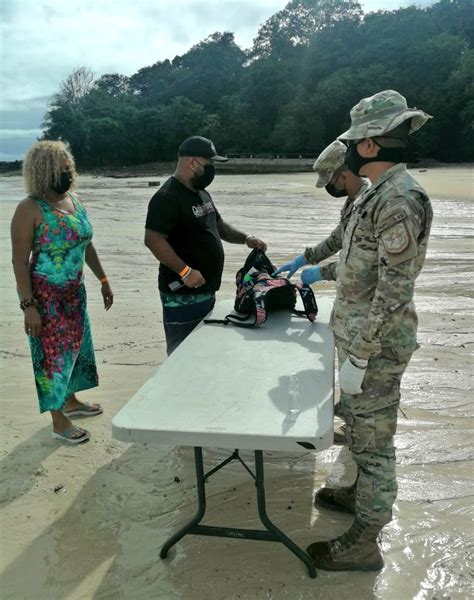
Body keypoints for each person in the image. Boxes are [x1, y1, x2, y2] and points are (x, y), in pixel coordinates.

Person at [305, 90, 433, 571]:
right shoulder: (375, 194)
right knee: (360, 431)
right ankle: (359, 494)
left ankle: (364, 542)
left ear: (373, 145)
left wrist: (361, 353)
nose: (351, 148)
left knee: (375, 447)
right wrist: (311, 263)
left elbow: (395, 288)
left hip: (375, 346)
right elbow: (357, 260)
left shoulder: (399, 197)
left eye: (356, 141)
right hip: (361, 337)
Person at [11, 141, 113, 444]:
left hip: (74, 294)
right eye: (59, 169)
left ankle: (70, 401)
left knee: (77, 349)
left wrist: (103, 278)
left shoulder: (75, 200)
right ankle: (58, 420)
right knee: (52, 357)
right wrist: (29, 306)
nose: (66, 173)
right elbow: (19, 261)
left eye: (67, 167)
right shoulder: (29, 209)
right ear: (42, 172)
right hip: (44, 298)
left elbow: (86, 242)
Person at [273, 140, 370, 444]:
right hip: (349, 304)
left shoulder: (369, 204)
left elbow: (360, 266)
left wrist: (320, 274)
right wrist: (305, 258)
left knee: (363, 376)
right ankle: (351, 420)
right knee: (348, 368)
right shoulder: (352, 203)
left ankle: (362, 435)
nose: (330, 188)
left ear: (343, 173)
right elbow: (337, 240)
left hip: (366, 305)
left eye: (330, 181)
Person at [145, 135, 266, 355]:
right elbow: (153, 240)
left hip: (206, 293)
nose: (212, 170)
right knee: (182, 357)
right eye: (209, 164)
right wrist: (185, 271)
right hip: (181, 297)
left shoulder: (201, 193)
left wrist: (246, 239)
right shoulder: (166, 197)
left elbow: (218, 225)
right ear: (192, 163)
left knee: (202, 354)